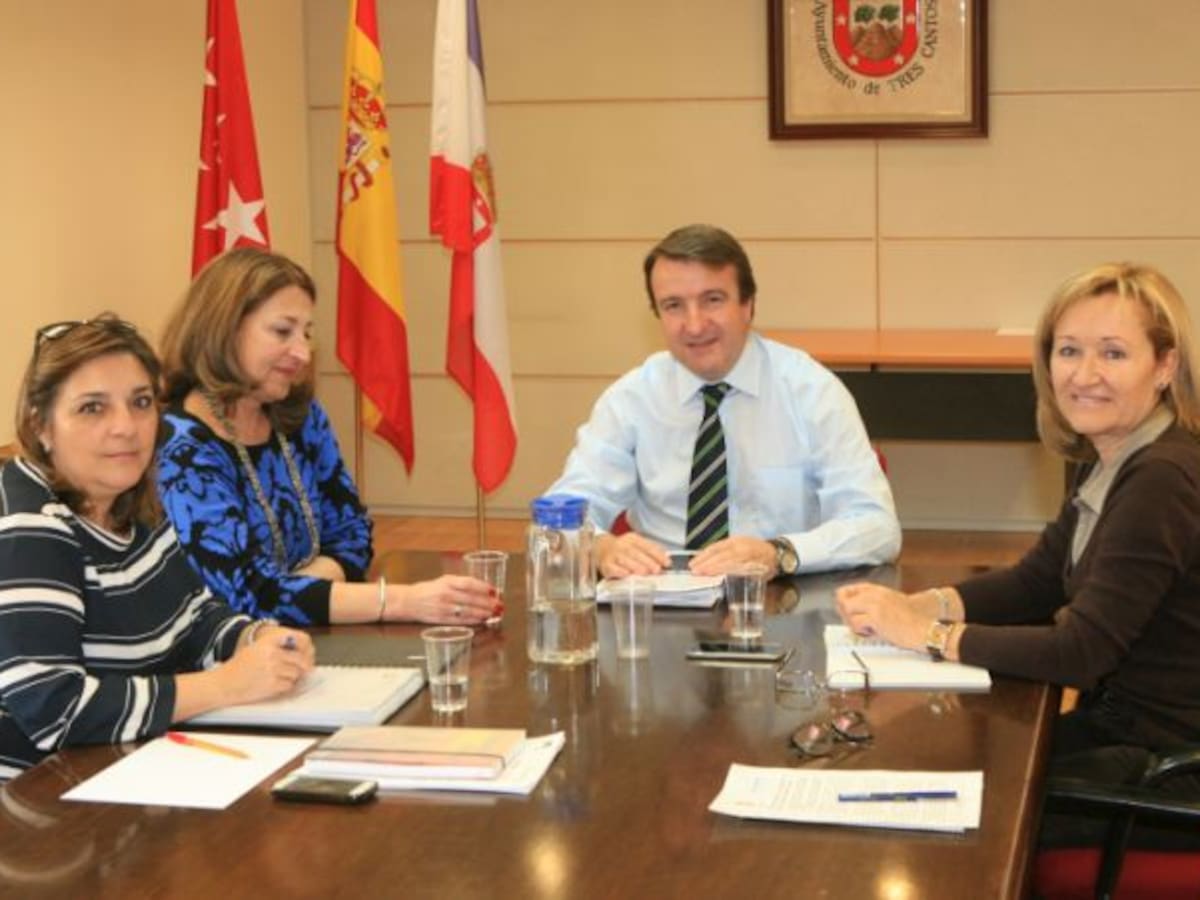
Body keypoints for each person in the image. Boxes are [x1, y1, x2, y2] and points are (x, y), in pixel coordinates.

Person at [836, 263, 1200, 845]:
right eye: (1069, 350)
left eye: (1113, 353)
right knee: (939, 764)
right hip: (1126, 735)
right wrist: (922, 604)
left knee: (945, 814)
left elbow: (1078, 652)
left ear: (1164, 366)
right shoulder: (1110, 454)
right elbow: (1039, 582)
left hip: (1168, 772)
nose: (1084, 375)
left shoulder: (1162, 478)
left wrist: (927, 635)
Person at [0, 316, 314, 780]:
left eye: (141, 402)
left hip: (128, 769)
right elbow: (53, 709)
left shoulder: (130, 499)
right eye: (92, 408)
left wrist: (258, 639)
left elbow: (195, 618)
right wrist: (226, 685)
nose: (125, 427)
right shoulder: (27, 525)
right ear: (41, 426)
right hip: (39, 803)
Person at [156, 248, 497, 627]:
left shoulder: (300, 416)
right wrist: (404, 600)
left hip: (309, 636)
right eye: (282, 331)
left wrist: (294, 591)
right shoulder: (180, 448)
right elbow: (245, 595)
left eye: (307, 333)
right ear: (223, 328)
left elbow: (353, 532)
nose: (303, 353)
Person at [546, 223, 900, 578]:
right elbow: (556, 518)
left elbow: (878, 527)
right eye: (673, 306)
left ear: (748, 305)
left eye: (712, 300)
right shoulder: (631, 399)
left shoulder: (812, 391)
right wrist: (599, 547)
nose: (695, 325)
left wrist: (778, 553)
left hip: (779, 596)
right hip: (663, 597)